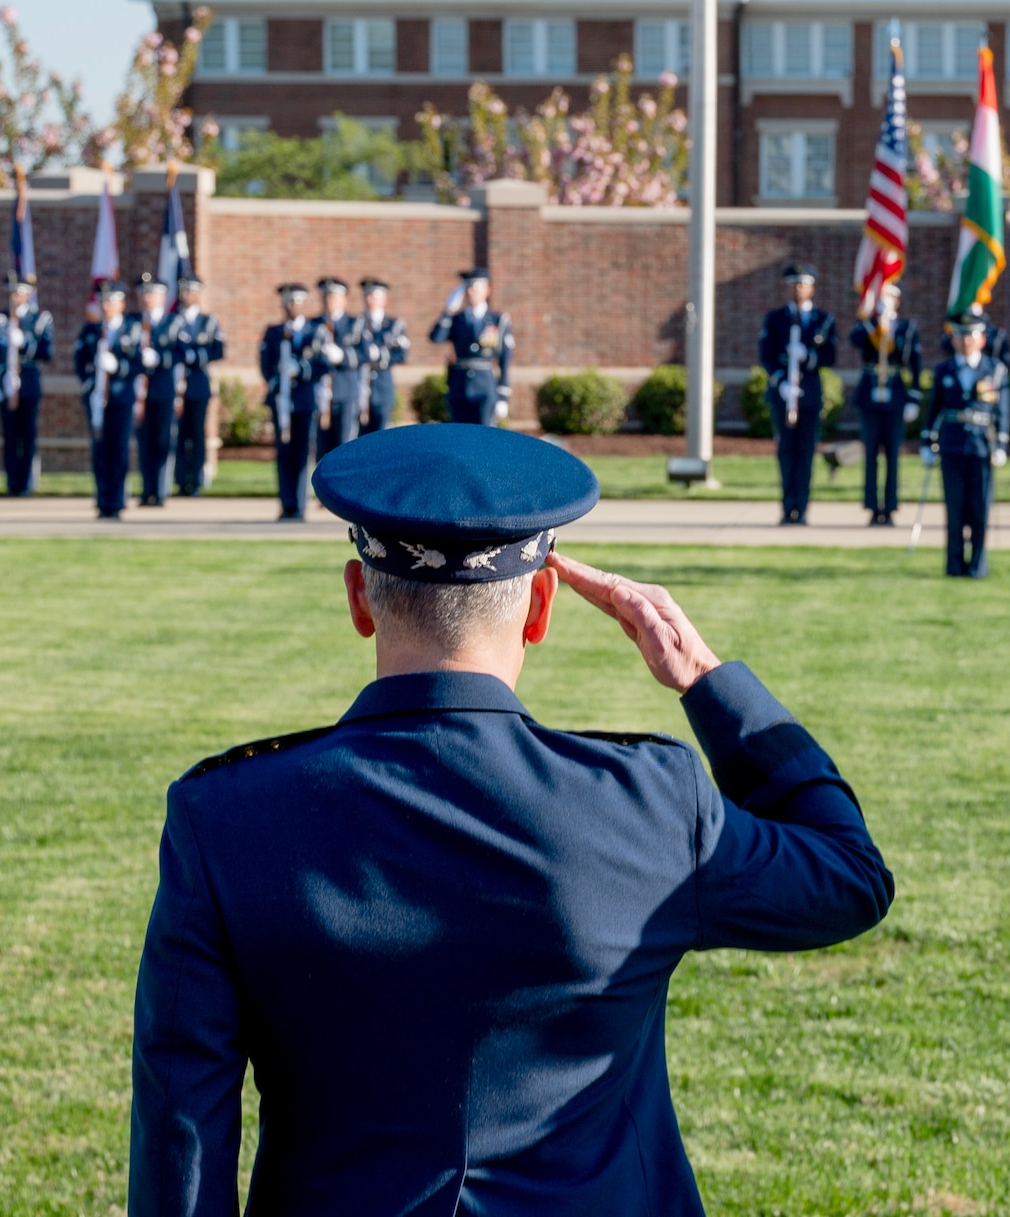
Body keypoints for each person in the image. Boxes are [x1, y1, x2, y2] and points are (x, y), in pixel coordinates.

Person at [128, 423, 893, 1215]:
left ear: (360, 596)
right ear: (541, 606)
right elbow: (850, 875)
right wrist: (705, 680)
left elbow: (182, 1141)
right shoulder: (649, 801)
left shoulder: (224, 817)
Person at [923, 310, 1010, 578]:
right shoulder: (944, 370)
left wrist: (1001, 445)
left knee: (979, 508)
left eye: (971, 335)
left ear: (982, 339)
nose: (966, 340)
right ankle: (954, 564)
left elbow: (1002, 410)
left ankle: (977, 565)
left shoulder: (994, 370)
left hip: (982, 445)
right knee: (955, 508)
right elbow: (934, 408)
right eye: (960, 335)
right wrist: (927, 441)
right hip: (952, 445)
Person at [756, 262, 837, 525]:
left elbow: (830, 356)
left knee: (805, 452)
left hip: (809, 394)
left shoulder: (823, 320)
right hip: (783, 392)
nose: (798, 288)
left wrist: (808, 357)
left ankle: (801, 508)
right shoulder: (775, 318)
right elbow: (766, 355)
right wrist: (780, 380)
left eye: (803, 283)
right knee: (786, 451)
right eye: (794, 283)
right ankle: (786, 506)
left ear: (812, 287)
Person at [851, 282, 921, 526]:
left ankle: (889, 507)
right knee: (871, 454)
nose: (886, 300)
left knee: (893, 454)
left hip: (894, 392)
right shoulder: (868, 326)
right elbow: (855, 340)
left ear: (897, 301)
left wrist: (914, 397)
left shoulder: (905, 328)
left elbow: (914, 362)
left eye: (890, 297)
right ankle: (872, 506)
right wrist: (874, 320)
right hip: (870, 391)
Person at [74, 280, 143, 519]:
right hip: (96, 401)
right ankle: (102, 500)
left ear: (122, 303)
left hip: (121, 399)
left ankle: (117, 500)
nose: (107, 305)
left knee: (119, 451)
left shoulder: (132, 330)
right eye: (104, 301)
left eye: (112, 300)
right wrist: (89, 384)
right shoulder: (90, 331)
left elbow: (140, 363)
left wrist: (120, 367)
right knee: (100, 451)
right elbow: (80, 363)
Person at [258, 283, 326, 522]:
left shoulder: (315, 332)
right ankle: (286, 504)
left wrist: (300, 370)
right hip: (282, 402)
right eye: (289, 301)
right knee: (284, 453)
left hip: (305, 401)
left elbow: (323, 364)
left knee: (302, 453)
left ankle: (299, 505)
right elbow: (265, 365)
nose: (293, 306)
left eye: (297, 301)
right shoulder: (273, 332)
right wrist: (278, 376)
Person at [430, 268, 513, 426]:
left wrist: (503, 396)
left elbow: (505, 358)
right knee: (459, 439)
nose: (470, 291)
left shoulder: (498, 320)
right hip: (459, 385)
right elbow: (437, 337)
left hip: (485, 385)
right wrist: (448, 311)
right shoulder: (456, 319)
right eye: (467, 287)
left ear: (487, 290)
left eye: (475, 287)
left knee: (483, 439)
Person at [0, 274, 53, 497]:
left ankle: (27, 480)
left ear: (29, 294)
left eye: (20, 292)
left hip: (29, 382)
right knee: (9, 434)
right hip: (6, 381)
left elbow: (46, 351)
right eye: (12, 292)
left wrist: (25, 343)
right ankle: (12, 481)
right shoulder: (0, 318)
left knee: (27, 433)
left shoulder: (39, 319)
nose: (16, 296)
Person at [172, 274, 225, 497]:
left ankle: (195, 480)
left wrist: (196, 355)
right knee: (179, 434)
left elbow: (219, 349)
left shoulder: (208, 321)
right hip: (175, 384)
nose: (188, 295)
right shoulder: (172, 319)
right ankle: (180, 479)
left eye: (193, 290)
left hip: (197, 384)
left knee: (196, 432)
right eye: (185, 290)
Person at [133, 275, 183, 507]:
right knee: (144, 443)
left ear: (162, 296)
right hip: (139, 394)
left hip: (163, 391)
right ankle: (146, 489)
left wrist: (160, 359)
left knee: (163, 441)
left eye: (152, 293)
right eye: (144, 293)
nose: (147, 298)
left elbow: (183, 353)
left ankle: (161, 490)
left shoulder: (173, 323)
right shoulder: (132, 322)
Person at [355, 278, 412, 435]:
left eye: (374, 295)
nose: (369, 299)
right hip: (360, 387)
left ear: (384, 298)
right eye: (367, 295)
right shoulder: (357, 323)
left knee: (381, 435)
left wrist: (380, 355)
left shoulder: (394, 324)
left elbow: (401, 354)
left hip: (382, 387)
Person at [314, 277, 364, 456]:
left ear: (344, 299)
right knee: (320, 451)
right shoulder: (314, 324)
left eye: (334, 296)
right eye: (326, 296)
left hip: (345, 393)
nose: (329, 300)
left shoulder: (355, 324)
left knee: (345, 449)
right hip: (319, 396)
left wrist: (343, 356)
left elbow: (365, 354)